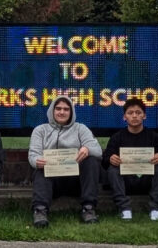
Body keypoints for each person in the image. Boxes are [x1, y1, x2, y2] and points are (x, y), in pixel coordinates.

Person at [28, 95, 102, 227]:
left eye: (66, 109)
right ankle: (40, 211)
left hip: (76, 181)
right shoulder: (40, 130)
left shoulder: (81, 128)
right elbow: (33, 155)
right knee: (40, 169)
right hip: (51, 181)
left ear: (71, 112)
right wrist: (37, 161)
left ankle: (88, 208)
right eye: (58, 108)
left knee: (91, 160)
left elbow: (98, 150)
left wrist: (87, 149)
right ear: (52, 110)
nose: (62, 112)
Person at [102, 98, 158, 221]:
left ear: (144, 116)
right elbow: (105, 159)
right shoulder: (117, 137)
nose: (134, 116)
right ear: (124, 117)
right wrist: (111, 158)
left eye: (138, 113)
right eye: (130, 113)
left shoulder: (154, 136)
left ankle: (156, 209)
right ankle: (124, 209)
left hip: (146, 180)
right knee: (112, 170)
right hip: (125, 182)